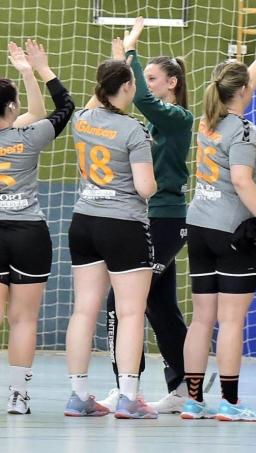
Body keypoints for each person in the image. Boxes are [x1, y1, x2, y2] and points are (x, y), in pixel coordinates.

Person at [180, 20, 256, 422]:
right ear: (242, 93)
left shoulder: (209, 119)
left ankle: (192, 400)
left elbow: (241, 84)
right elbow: (242, 180)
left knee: (202, 317)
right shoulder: (242, 130)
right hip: (231, 231)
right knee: (231, 320)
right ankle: (229, 402)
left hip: (200, 226)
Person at [95, 17, 193, 415]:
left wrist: (129, 52)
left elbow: (143, 100)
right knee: (160, 307)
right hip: (143, 218)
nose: (145, 83)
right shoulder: (150, 123)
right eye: (143, 76)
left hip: (166, 220)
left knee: (121, 302)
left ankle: (126, 389)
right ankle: (186, 386)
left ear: (171, 82)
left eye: (152, 77)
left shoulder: (177, 117)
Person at [64, 56, 157, 419]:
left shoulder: (82, 120)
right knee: (131, 313)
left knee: (83, 310)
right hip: (123, 224)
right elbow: (145, 187)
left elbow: (93, 103)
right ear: (129, 88)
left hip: (84, 220)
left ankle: (78, 395)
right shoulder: (134, 130)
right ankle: (129, 398)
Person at [0, 40, 74, 414]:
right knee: (24, 319)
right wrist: (34, 71)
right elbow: (64, 108)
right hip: (29, 233)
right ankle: (18, 395)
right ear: (12, 108)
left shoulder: (24, 130)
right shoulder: (28, 136)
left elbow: (30, 113)